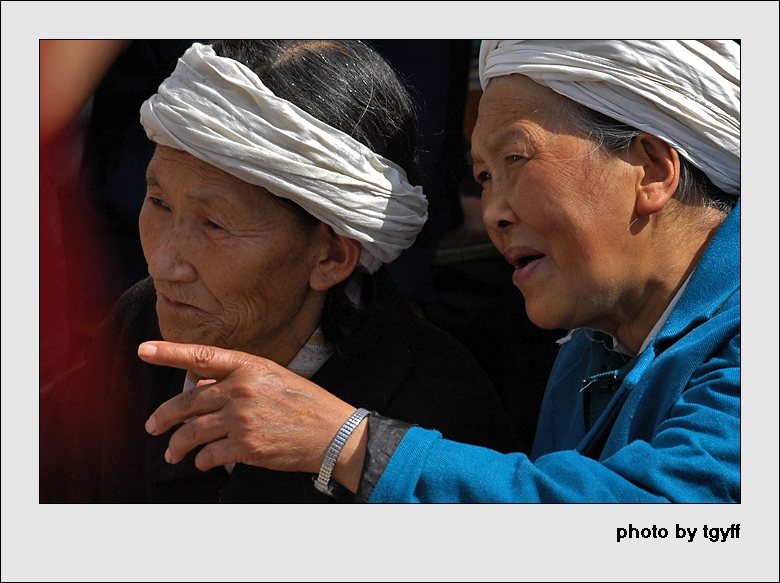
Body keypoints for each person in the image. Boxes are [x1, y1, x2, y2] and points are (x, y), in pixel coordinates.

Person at [134, 39, 741, 503]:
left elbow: (663, 525)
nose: (495, 212)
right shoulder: (592, 347)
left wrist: (350, 444)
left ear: (655, 171)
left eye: (516, 159)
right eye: (483, 177)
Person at [39, 39, 521, 503]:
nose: (164, 264)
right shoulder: (141, 326)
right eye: (159, 202)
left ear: (331, 258)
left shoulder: (435, 409)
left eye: (214, 224)